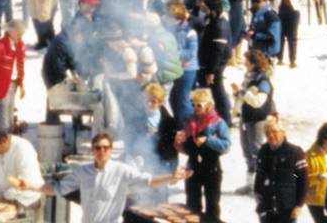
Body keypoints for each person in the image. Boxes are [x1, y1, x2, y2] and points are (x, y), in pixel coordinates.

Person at [42, 132, 187, 223]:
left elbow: (148, 181)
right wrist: (30, 187)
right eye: (98, 148)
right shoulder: (83, 172)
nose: (102, 151)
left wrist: (171, 177)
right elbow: (57, 188)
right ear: (93, 151)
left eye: (105, 148)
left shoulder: (120, 170)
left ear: (111, 151)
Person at [178, 87, 232, 222]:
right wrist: (179, 142)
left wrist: (208, 140)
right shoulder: (190, 121)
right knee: (192, 205)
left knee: (212, 205)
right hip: (193, 166)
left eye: (199, 105)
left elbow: (226, 145)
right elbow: (183, 148)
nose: (195, 108)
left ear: (208, 105)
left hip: (211, 167)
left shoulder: (218, 122)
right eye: (193, 104)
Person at [254, 117, 308, 223]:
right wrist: (257, 192)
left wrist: (299, 205)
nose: (271, 135)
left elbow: (303, 181)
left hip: (287, 207)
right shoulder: (263, 151)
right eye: (267, 133)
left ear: (283, 132)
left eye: (274, 132)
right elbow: (259, 174)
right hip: (267, 206)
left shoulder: (295, 152)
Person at [238, 50, 277, 192]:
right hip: (246, 118)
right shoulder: (249, 77)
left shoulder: (263, 81)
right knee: (247, 151)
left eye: (247, 61)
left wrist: (243, 93)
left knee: (257, 152)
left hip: (258, 119)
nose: (244, 63)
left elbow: (259, 102)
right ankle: (250, 184)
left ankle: (262, 185)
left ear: (254, 63)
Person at [0, 126, 43, 209]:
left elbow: (25, 182)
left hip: (27, 201)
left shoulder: (23, 149)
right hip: (6, 201)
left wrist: (5, 197)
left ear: (4, 141)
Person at [0, 18, 27, 132]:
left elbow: (19, 64)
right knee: (2, 114)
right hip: (1, 85)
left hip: (12, 84)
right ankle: (2, 135)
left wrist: (20, 82)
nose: (20, 37)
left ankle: (7, 133)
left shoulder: (19, 46)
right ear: (11, 32)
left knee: (10, 111)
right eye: (19, 34)